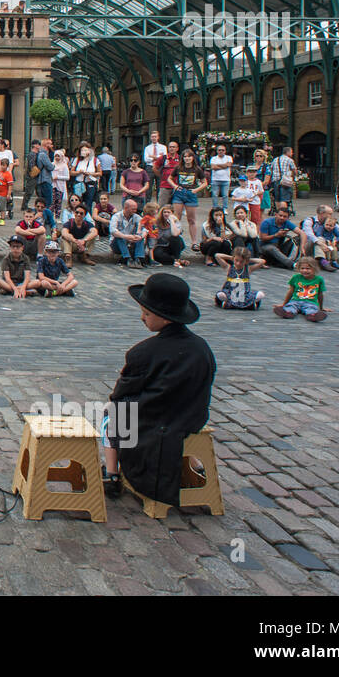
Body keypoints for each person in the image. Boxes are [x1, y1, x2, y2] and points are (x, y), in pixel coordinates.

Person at [103, 273, 216, 502]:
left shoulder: (144, 352)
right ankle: (194, 464)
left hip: (156, 422)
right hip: (192, 416)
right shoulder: (202, 348)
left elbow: (121, 395)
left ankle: (112, 473)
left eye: (146, 313)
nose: (142, 318)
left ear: (164, 318)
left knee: (111, 415)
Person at [166, 147, 208, 248]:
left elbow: (205, 182)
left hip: (191, 194)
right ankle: (176, 238)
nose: (187, 159)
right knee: (177, 217)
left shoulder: (197, 169)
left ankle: (194, 242)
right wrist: (175, 186)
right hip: (179, 193)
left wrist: (196, 190)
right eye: (185, 157)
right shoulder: (178, 167)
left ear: (193, 158)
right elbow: (169, 178)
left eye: (189, 157)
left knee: (191, 219)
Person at [275, 256, 328, 321]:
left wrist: (321, 307)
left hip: (310, 302)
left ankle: (312, 316)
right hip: (296, 300)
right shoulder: (296, 277)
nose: (304, 270)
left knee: (311, 309)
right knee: (291, 306)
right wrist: (284, 304)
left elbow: (320, 294)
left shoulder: (319, 279)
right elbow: (290, 291)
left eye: (308, 268)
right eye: (302, 268)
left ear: (314, 269)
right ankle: (288, 313)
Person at [110, 198, 147, 267]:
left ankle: (139, 259)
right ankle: (127, 258)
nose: (135, 211)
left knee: (140, 237)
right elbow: (113, 231)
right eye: (133, 209)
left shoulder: (136, 217)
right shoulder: (116, 217)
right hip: (117, 244)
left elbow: (144, 229)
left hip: (131, 243)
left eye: (135, 209)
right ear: (126, 208)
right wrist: (126, 237)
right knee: (119, 236)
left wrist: (140, 236)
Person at [269, 146, 298, 216]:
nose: (292, 153)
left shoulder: (276, 159)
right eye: (291, 152)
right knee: (284, 199)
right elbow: (294, 170)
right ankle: (284, 214)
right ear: (287, 152)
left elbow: (271, 169)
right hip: (285, 182)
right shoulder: (289, 160)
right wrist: (294, 178)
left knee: (277, 199)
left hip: (276, 181)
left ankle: (278, 213)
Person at [142, 131, 167, 202]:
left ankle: (159, 204)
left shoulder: (163, 147)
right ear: (150, 138)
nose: (154, 138)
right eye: (152, 136)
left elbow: (164, 158)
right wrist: (158, 157)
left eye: (155, 136)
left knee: (160, 186)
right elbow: (146, 159)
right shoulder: (147, 148)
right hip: (149, 168)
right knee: (148, 187)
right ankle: (147, 203)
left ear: (158, 137)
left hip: (160, 168)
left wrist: (152, 157)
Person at [208, 144, 234, 211]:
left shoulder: (229, 157)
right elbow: (213, 167)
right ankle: (215, 208)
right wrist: (224, 165)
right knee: (214, 195)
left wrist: (217, 166)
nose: (221, 151)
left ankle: (225, 208)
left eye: (223, 150)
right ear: (217, 151)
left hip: (226, 179)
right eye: (219, 150)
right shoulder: (213, 158)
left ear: (225, 151)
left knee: (225, 195)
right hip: (215, 179)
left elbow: (229, 165)